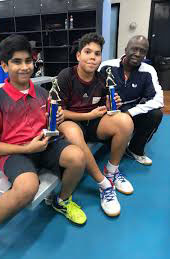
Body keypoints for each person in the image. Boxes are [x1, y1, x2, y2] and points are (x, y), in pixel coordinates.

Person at [0, 35, 87, 258]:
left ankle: (61, 200)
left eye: (28, 60)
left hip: (43, 144)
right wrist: (26, 149)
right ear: (4, 65)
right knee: (27, 187)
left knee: (77, 156)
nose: (24, 67)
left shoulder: (43, 94)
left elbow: (49, 122)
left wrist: (59, 118)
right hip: (15, 152)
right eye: (16, 61)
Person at [57, 33, 134, 218]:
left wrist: (111, 104)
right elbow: (59, 113)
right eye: (88, 52)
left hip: (94, 123)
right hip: (71, 123)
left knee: (125, 121)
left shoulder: (101, 78)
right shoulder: (66, 76)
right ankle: (104, 184)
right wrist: (87, 115)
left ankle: (112, 172)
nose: (93, 57)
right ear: (78, 55)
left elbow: (107, 106)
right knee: (73, 133)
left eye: (97, 53)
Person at [99, 35, 163, 165]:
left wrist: (130, 113)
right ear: (126, 49)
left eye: (143, 51)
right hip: (109, 112)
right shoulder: (107, 66)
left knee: (156, 114)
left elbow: (158, 100)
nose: (138, 54)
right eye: (134, 49)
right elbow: (94, 92)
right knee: (110, 143)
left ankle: (136, 149)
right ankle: (118, 142)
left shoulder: (149, 71)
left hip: (131, 111)